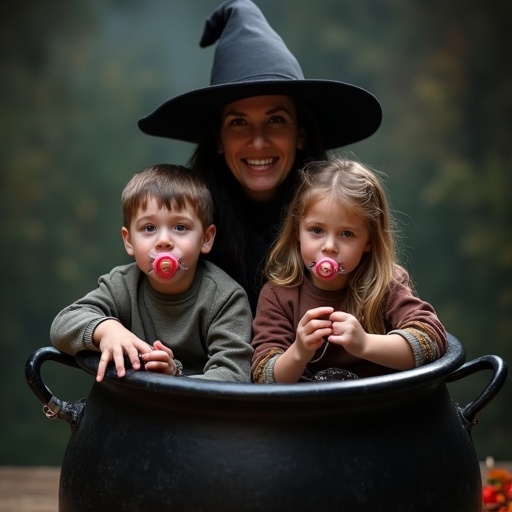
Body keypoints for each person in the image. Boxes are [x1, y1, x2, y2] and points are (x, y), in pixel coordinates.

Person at [138, 0, 383, 314]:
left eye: (276, 120)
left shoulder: (344, 215)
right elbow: (131, 302)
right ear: (218, 139)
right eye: (238, 123)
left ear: (301, 134)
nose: (257, 142)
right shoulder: (181, 225)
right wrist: (110, 328)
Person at [250, 157, 448, 383]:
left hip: (382, 411)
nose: (329, 247)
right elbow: (263, 377)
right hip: (305, 416)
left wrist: (365, 344)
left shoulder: (386, 283)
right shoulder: (278, 294)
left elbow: (431, 339)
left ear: (369, 241)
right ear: (297, 231)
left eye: (346, 234)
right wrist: (299, 352)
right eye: (316, 230)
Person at [50, 164, 254, 383]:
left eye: (180, 227)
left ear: (206, 238)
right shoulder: (122, 285)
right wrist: (107, 330)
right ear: (129, 241)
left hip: (197, 413)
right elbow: (62, 326)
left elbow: (235, 375)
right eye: (149, 228)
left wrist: (174, 378)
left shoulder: (226, 298)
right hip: (130, 409)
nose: (163, 241)